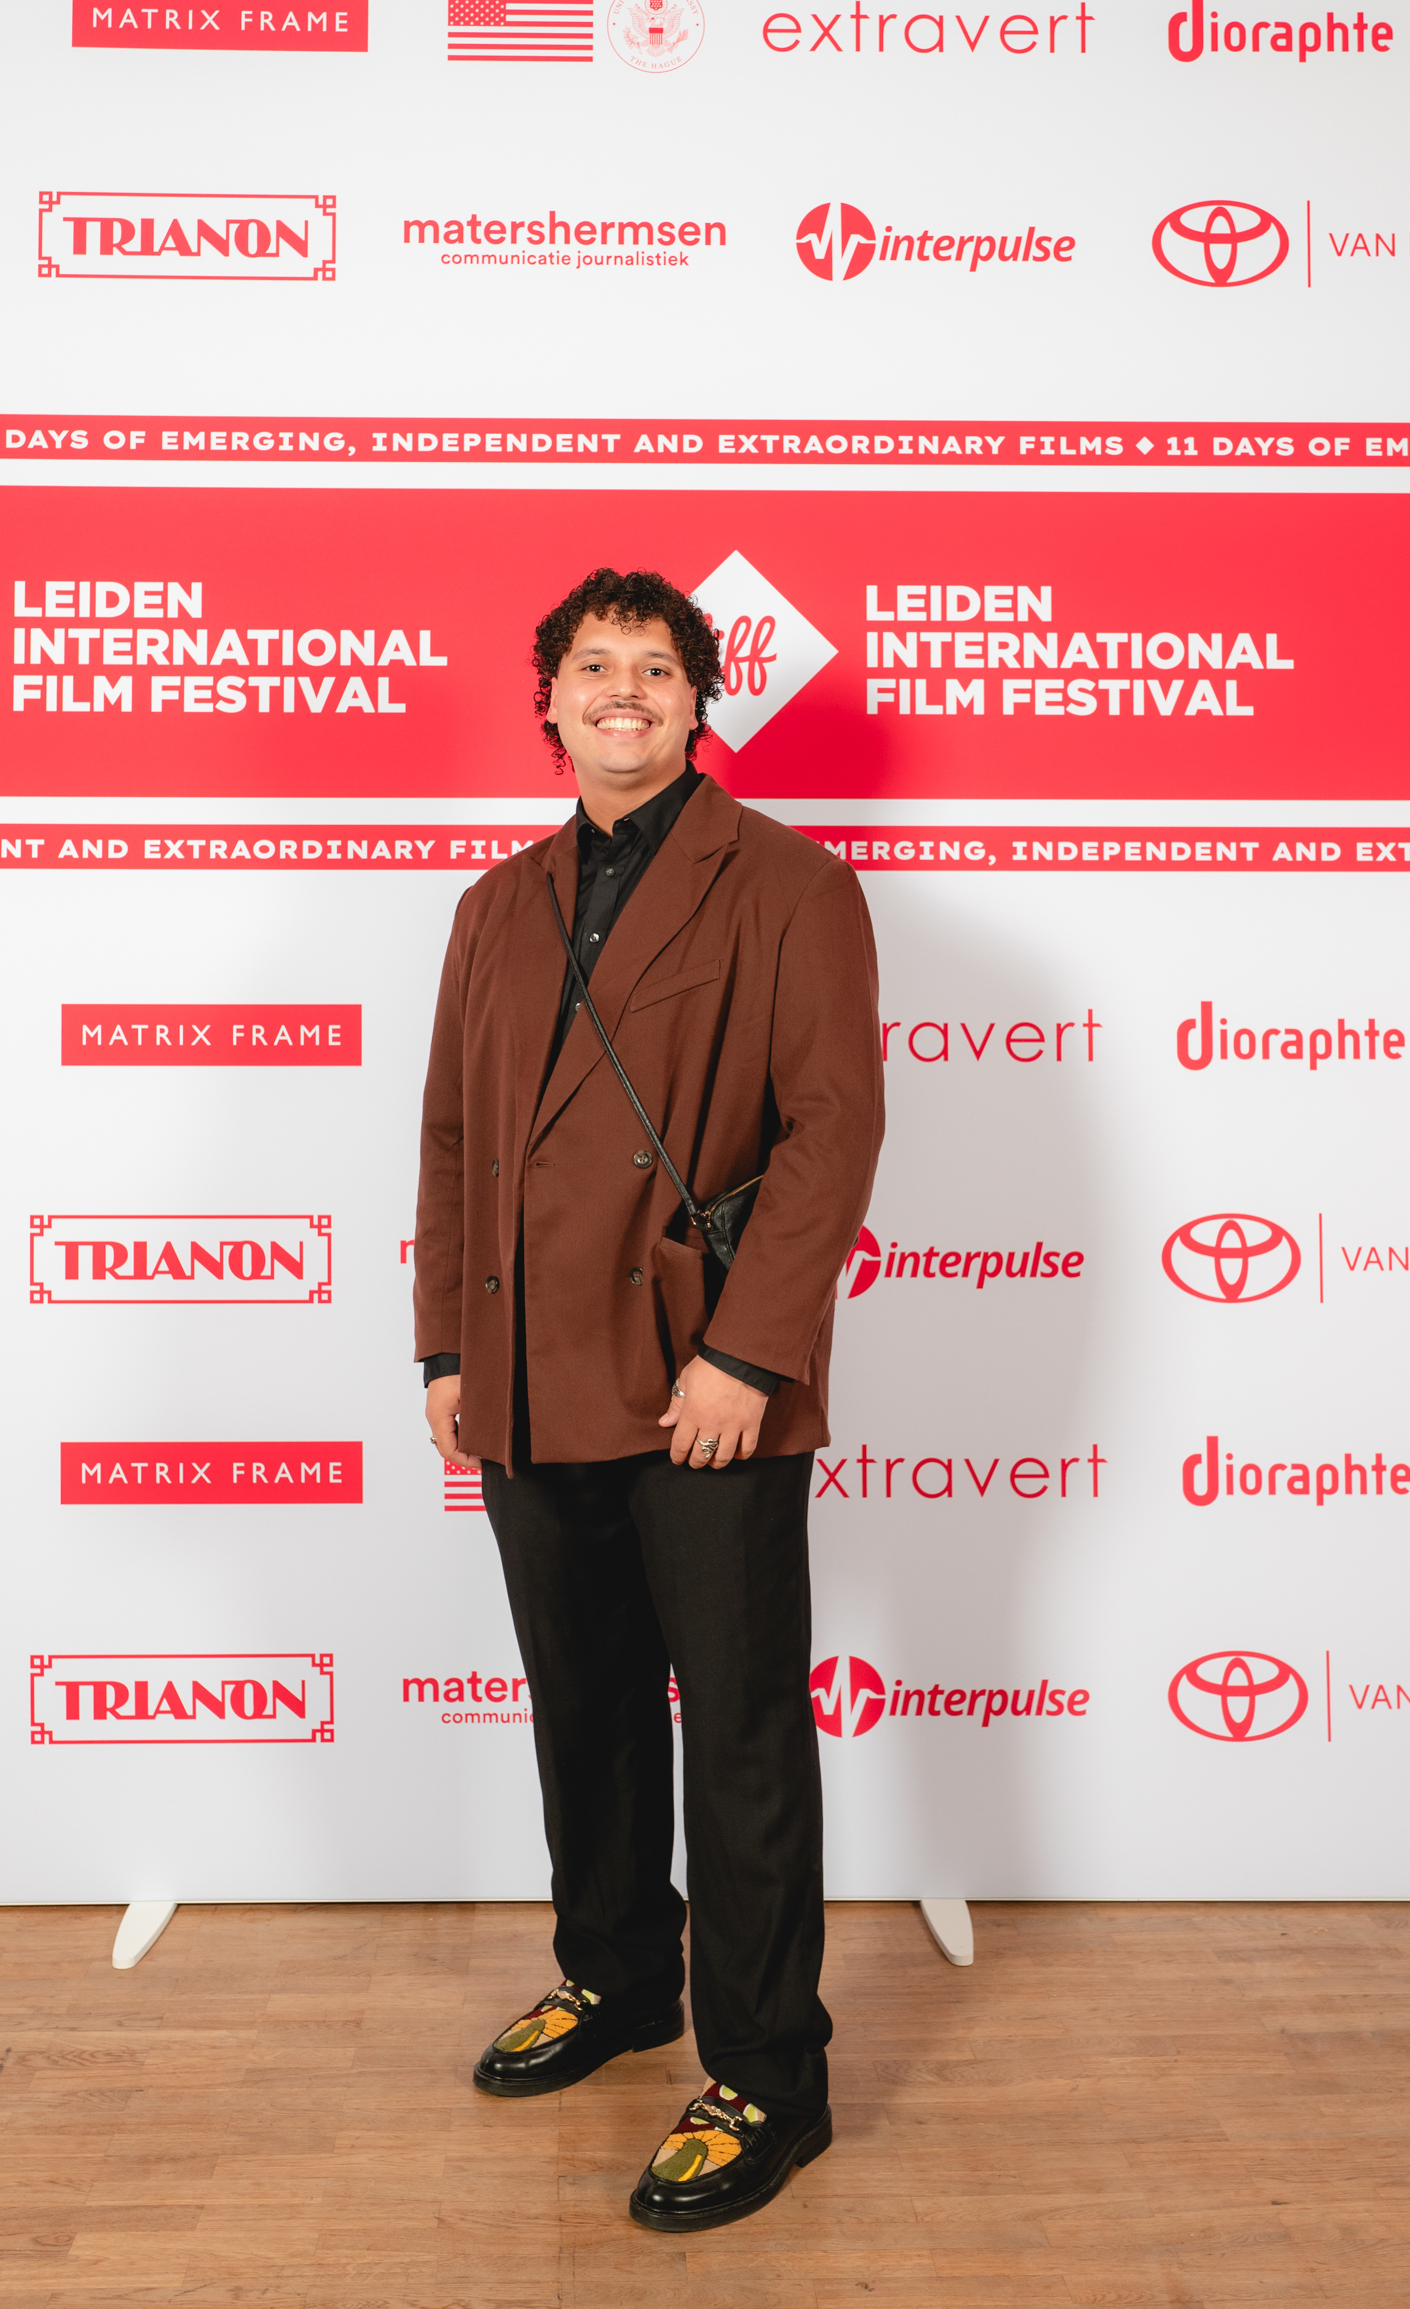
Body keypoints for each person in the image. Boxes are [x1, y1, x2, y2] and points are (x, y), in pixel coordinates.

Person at [412, 566, 883, 2232]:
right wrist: (446, 1350)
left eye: (659, 667)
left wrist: (749, 1355)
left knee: (739, 1731)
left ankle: (769, 2073)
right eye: (595, 665)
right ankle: (616, 1977)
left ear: (698, 702)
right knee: (584, 1705)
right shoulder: (495, 905)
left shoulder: (793, 884)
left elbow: (832, 1132)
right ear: (549, 701)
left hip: (702, 1378)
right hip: (526, 1375)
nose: (625, 688)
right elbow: (454, 1139)